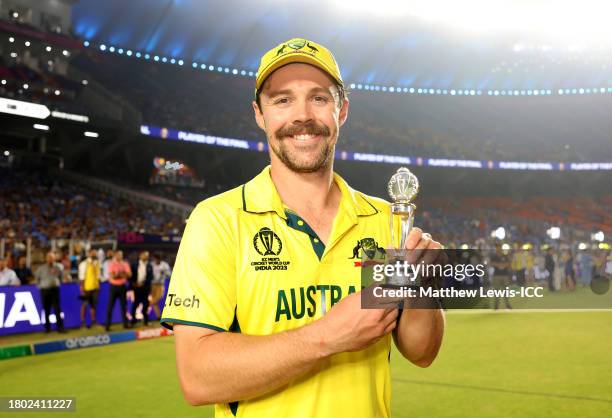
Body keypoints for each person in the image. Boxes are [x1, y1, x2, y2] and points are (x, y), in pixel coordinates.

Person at [161, 38, 444, 417]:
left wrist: (421, 288)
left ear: (341, 111)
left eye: (319, 98)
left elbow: (422, 353)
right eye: (282, 100)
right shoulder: (218, 219)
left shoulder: (384, 220)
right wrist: (326, 337)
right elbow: (197, 377)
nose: (303, 116)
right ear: (259, 115)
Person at [34, 251, 66, 333]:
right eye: (49, 257)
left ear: (54, 258)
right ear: (46, 259)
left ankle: (60, 328)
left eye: (52, 257)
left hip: (55, 290)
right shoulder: (41, 268)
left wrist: (58, 283)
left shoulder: (58, 267)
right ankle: (47, 328)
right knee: (46, 310)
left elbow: (61, 277)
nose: (50, 259)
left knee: (57, 309)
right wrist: (41, 287)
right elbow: (37, 279)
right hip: (45, 290)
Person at [105, 250, 131, 331]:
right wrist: (122, 274)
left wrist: (119, 274)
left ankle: (125, 324)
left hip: (122, 287)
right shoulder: (111, 264)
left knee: (124, 306)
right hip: (113, 287)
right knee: (110, 306)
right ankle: (107, 325)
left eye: (121, 254)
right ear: (115, 255)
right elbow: (113, 276)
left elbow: (129, 274)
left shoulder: (125, 263)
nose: (120, 256)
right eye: (118, 254)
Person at [78, 248, 101, 328]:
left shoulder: (97, 263)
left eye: (95, 253)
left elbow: (98, 276)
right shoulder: (84, 264)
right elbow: (82, 277)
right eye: (93, 253)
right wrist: (82, 288)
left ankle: (93, 322)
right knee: (84, 305)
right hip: (87, 288)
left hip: (95, 287)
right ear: (89, 254)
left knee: (93, 305)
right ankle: (82, 322)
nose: (94, 255)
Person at [129, 250, 153, 326]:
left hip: (145, 287)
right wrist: (134, 284)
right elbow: (131, 276)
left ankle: (146, 320)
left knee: (146, 304)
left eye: (147, 255)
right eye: (144, 255)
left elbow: (150, 277)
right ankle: (133, 320)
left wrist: (144, 283)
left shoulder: (149, 265)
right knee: (136, 303)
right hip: (136, 287)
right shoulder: (134, 265)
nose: (146, 256)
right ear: (140, 255)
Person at [490, 245, 512, 310]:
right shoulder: (493, 256)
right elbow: (491, 263)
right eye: (497, 248)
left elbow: (508, 264)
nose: (498, 249)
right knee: (496, 291)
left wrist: (500, 265)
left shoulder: (505, 256)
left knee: (506, 291)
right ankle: (496, 306)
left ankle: (507, 305)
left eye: (499, 248)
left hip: (505, 275)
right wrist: (501, 265)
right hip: (496, 275)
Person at [150, 253, 171, 319]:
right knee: (154, 301)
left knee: (156, 299)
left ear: (159, 259)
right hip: (152, 284)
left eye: (156, 259)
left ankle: (163, 315)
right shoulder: (151, 265)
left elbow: (169, 274)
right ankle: (159, 316)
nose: (155, 261)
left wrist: (164, 272)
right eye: (154, 259)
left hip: (160, 285)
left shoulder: (164, 265)